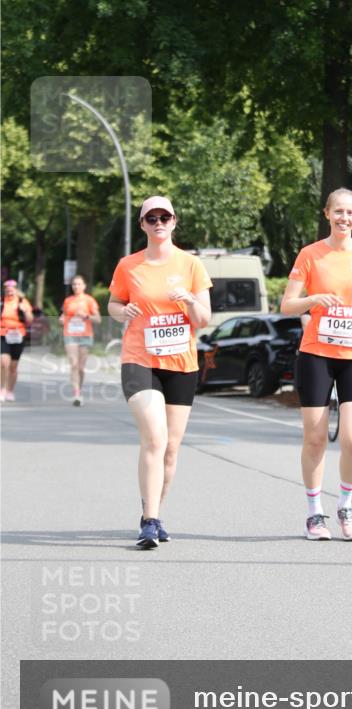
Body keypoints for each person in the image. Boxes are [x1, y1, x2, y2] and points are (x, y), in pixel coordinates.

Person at [281, 188, 352, 541]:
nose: (344, 218)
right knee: (314, 439)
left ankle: (345, 505)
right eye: (337, 211)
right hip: (316, 354)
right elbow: (287, 305)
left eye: (350, 212)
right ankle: (315, 514)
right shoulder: (310, 255)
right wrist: (312, 299)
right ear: (327, 213)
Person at [108, 196, 212, 549]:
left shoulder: (191, 265)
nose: (158, 222)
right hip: (140, 359)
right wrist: (123, 313)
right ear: (142, 225)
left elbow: (204, 319)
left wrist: (188, 300)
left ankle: (153, 513)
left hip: (182, 363)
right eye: (150, 218)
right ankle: (149, 522)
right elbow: (114, 303)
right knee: (155, 436)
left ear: (174, 221)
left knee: (171, 448)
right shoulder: (128, 265)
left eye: (163, 216)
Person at [59, 275, 101, 406]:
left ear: (84, 286)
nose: (76, 287)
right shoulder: (68, 300)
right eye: (74, 284)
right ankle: (76, 394)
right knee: (74, 364)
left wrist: (86, 316)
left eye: (78, 284)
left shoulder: (89, 300)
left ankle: (79, 390)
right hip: (70, 333)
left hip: (85, 335)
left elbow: (98, 319)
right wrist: (61, 320)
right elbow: (63, 315)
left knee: (81, 368)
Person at [1, 279, 33, 403]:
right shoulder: (1, 302)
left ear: (16, 290)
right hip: (3, 334)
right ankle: (2, 389)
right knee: (3, 363)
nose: (10, 292)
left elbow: (30, 321)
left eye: (12, 290)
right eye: (7, 290)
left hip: (18, 336)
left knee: (13, 367)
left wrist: (24, 311)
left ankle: (10, 391)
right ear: (5, 291)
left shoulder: (23, 302)